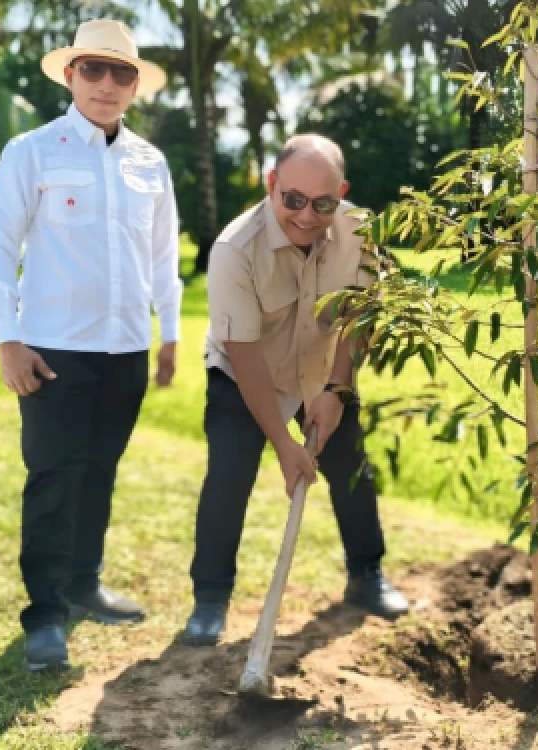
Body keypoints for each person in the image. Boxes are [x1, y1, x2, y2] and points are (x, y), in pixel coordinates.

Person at [0, 19, 180, 672]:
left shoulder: (150, 163)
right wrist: (7, 341)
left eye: (122, 72)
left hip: (127, 350)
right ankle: (45, 616)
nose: (107, 83)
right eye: (93, 68)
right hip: (52, 352)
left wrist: (170, 336)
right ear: (70, 75)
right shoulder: (31, 151)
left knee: (100, 471)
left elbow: (164, 258)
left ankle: (84, 582)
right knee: (53, 479)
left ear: (135, 85)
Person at [183, 134, 409, 645]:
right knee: (228, 478)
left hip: (323, 370)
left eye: (322, 203)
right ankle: (210, 599)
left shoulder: (360, 232)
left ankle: (367, 574)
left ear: (341, 194)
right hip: (245, 374)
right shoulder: (234, 250)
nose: (307, 216)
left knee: (350, 469)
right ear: (272, 185)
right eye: (293, 199)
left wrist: (337, 390)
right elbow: (244, 357)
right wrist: (284, 444)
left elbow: (358, 318)